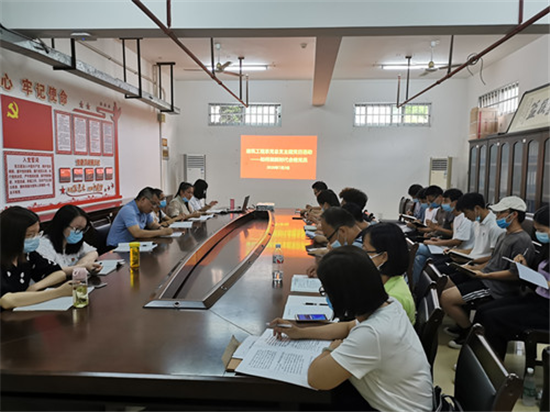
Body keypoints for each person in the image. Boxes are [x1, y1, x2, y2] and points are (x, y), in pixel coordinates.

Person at [269, 247, 433, 411]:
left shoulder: (373, 334)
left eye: (326, 291)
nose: (326, 296)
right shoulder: (389, 304)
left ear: (343, 294)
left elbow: (316, 378)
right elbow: (348, 327)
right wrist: (300, 332)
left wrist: (331, 349)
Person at [441, 196, 536, 348]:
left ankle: (468, 334)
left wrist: (485, 275)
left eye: (500, 213)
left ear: (514, 215)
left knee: (446, 298)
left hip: (496, 287)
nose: (497, 217)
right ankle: (464, 327)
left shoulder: (522, 240)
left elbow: (515, 274)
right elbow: (494, 261)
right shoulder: (505, 235)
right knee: (447, 285)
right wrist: (474, 267)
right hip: (486, 278)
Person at [473, 205, 549, 358]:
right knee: (483, 311)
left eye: (541, 230)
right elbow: (537, 281)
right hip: (537, 299)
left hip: (546, 310)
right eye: (536, 230)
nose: (538, 234)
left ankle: (492, 363)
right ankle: (478, 357)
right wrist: (524, 268)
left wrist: (545, 283)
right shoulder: (547, 249)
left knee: (493, 318)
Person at [0, 206, 72, 310]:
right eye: (29, 235)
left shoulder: (27, 254)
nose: (35, 238)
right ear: (11, 236)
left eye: (37, 233)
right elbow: (6, 300)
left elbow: (58, 273)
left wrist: (35, 287)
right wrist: (58, 292)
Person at [412, 188, 473, 284]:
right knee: (419, 259)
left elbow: (457, 241)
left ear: (455, 203)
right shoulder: (457, 217)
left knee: (417, 249)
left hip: (457, 255)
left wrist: (436, 243)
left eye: (445, 201)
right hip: (451, 251)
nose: (443, 204)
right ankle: (413, 286)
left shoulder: (465, 219)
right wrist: (437, 241)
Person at [362, 222, 416, 323]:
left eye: (366, 252)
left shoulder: (394, 299)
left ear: (383, 256)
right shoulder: (384, 280)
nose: (362, 256)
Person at [37, 205, 101, 276]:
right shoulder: (44, 244)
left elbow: (93, 252)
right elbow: (51, 271)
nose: (80, 233)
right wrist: (82, 267)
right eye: (77, 228)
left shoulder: (74, 242)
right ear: (61, 225)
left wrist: (82, 263)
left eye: (82, 229)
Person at [107, 187, 173, 247]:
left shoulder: (145, 210)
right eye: (153, 203)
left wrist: (160, 228)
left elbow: (152, 224)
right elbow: (137, 233)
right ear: (143, 199)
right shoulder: (128, 210)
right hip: (116, 248)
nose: (154, 207)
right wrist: (162, 232)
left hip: (132, 244)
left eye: (155, 204)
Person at [306, 207, 362, 277]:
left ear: (342, 231)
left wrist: (324, 270)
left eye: (328, 238)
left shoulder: (359, 247)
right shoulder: (354, 241)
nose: (330, 243)